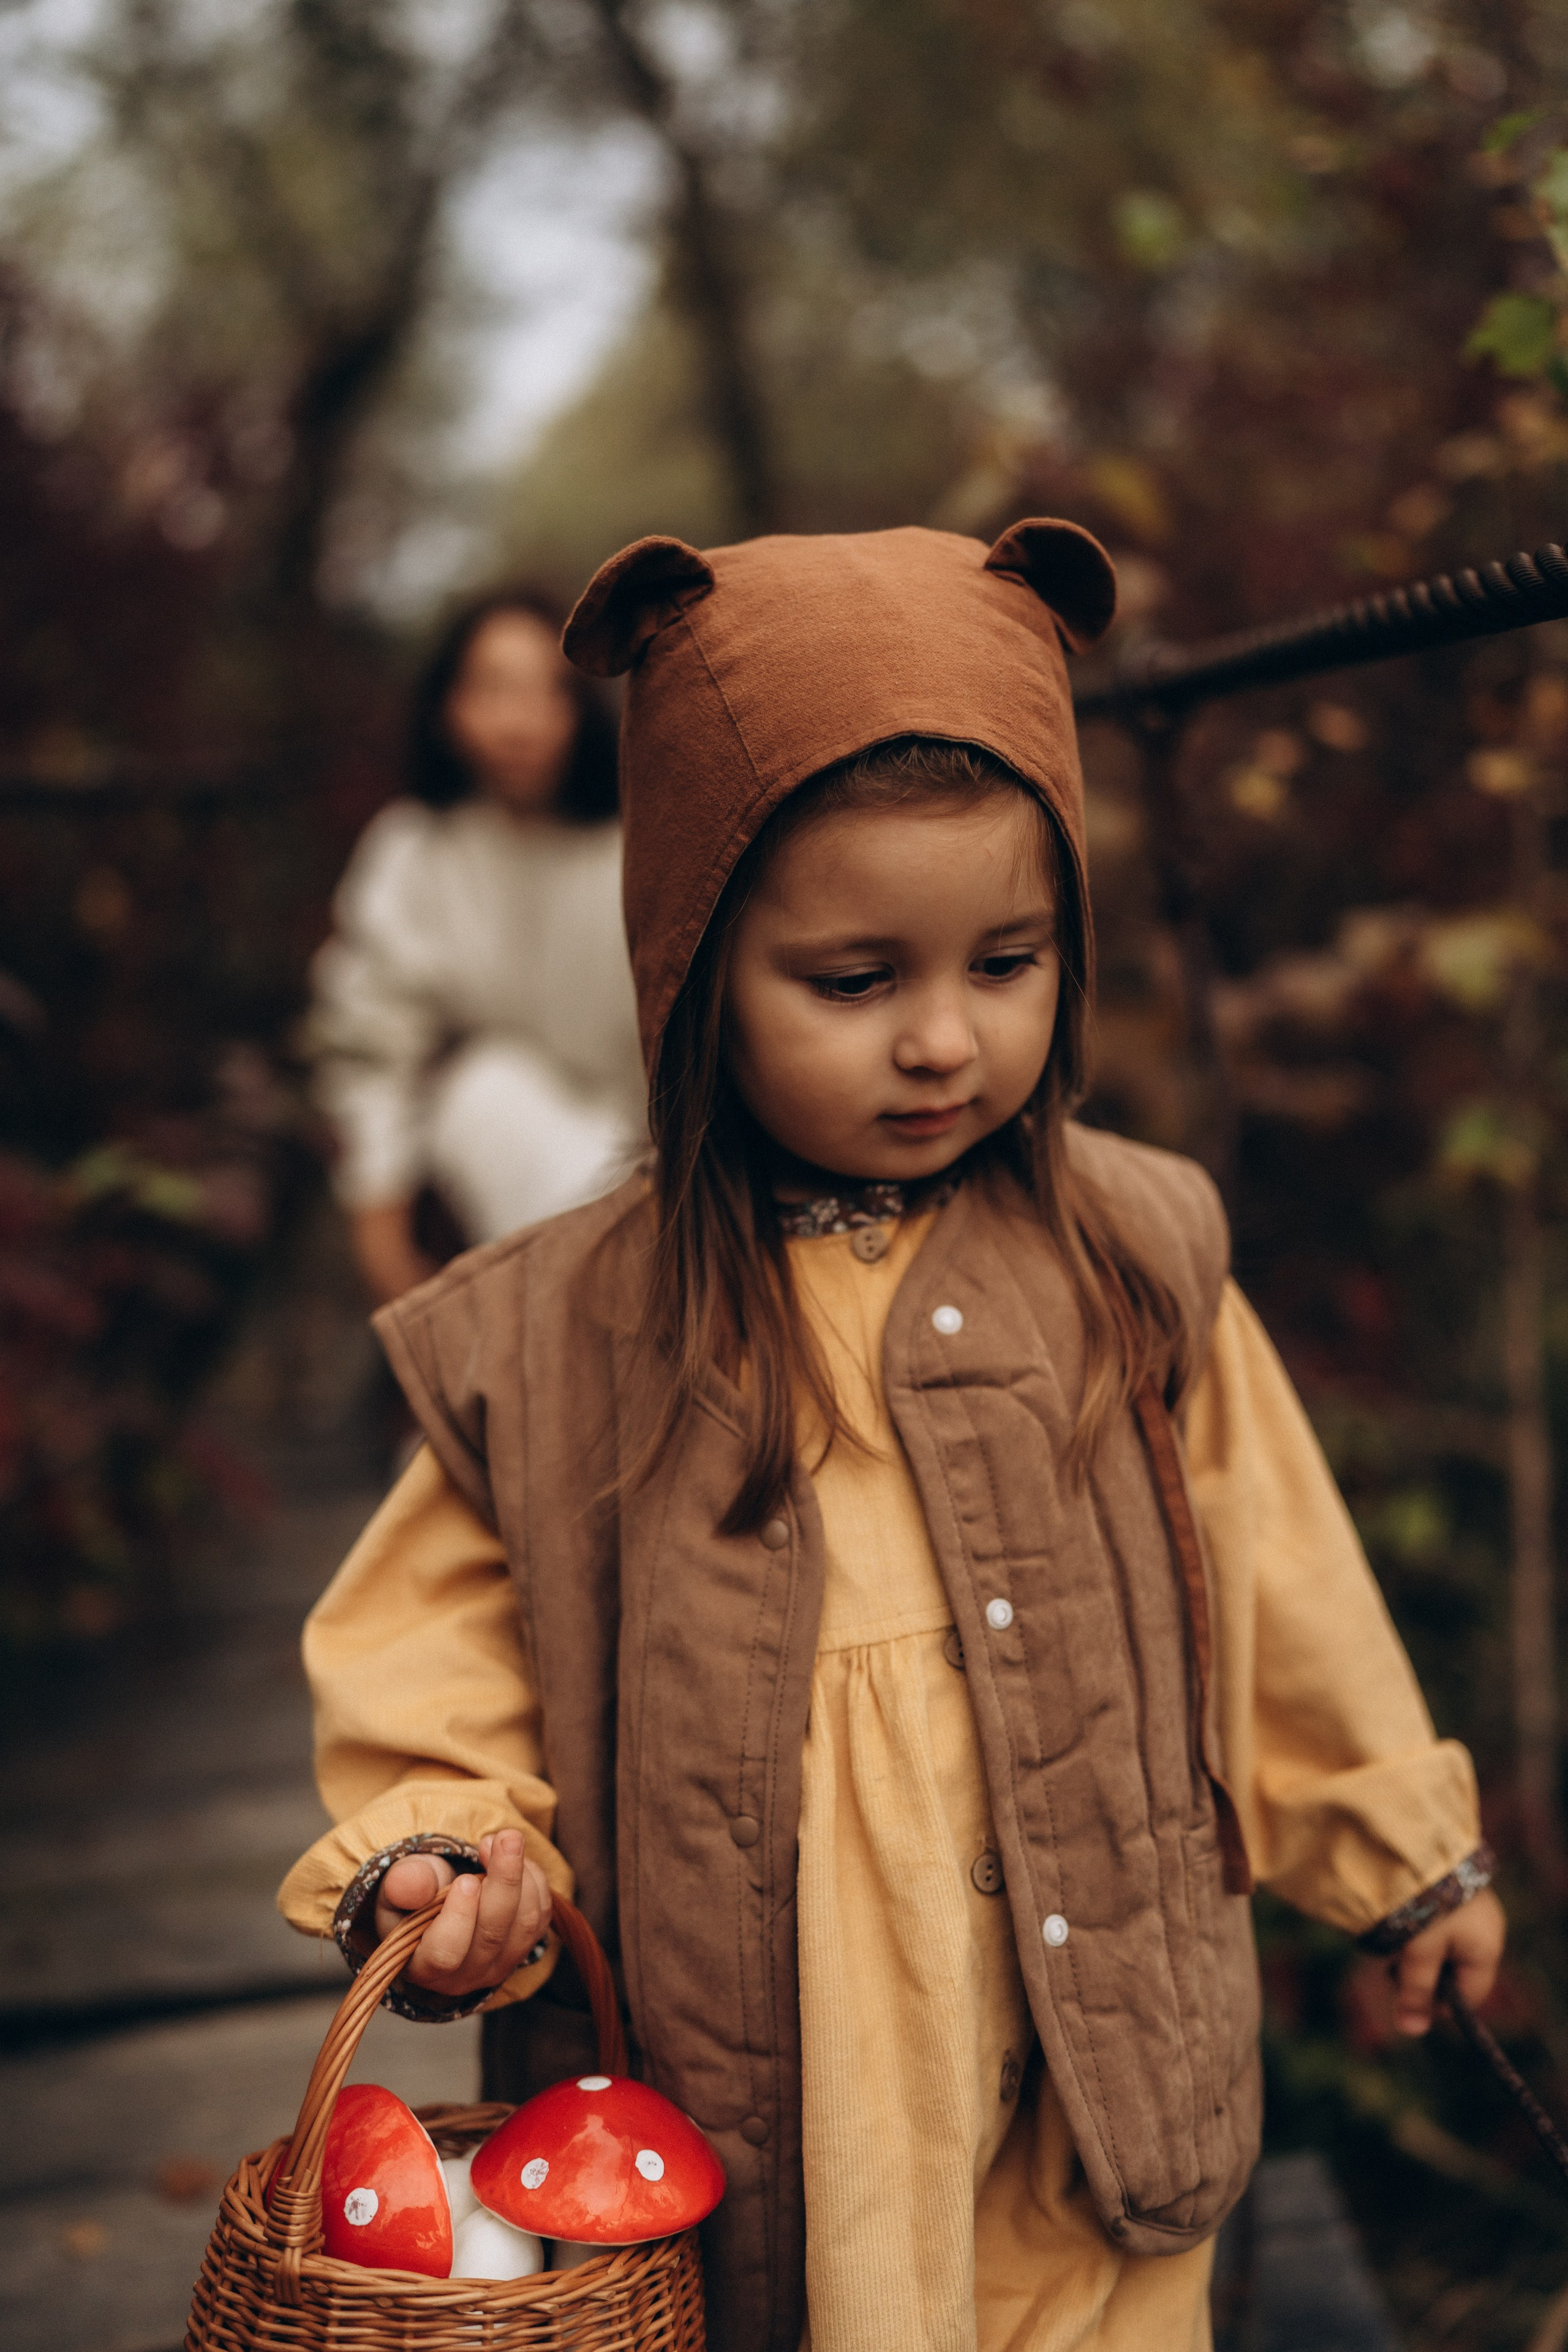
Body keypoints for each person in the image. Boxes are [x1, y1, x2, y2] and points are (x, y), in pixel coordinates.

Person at [279, 523, 1504, 2352]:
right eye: (854, 982)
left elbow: (1274, 1563)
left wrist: (1390, 1837)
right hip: (784, 2044)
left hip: (1100, 2001)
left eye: (1005, 961)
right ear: (698, 970)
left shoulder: (1128, 1253)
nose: (943, 1040)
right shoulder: (564, 1334)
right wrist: (449, 1846)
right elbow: (430, 1647)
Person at [309, 584, 644, 1306]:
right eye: (491, 688)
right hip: (509, 1140)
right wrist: (379, 1216)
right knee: (485, 1088)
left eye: (545, 691)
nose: (518, 721)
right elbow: (368, 1037)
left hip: (656, 1143)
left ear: (580, 704)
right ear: (446, 705)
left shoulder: (638, 845)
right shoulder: (414, 851)